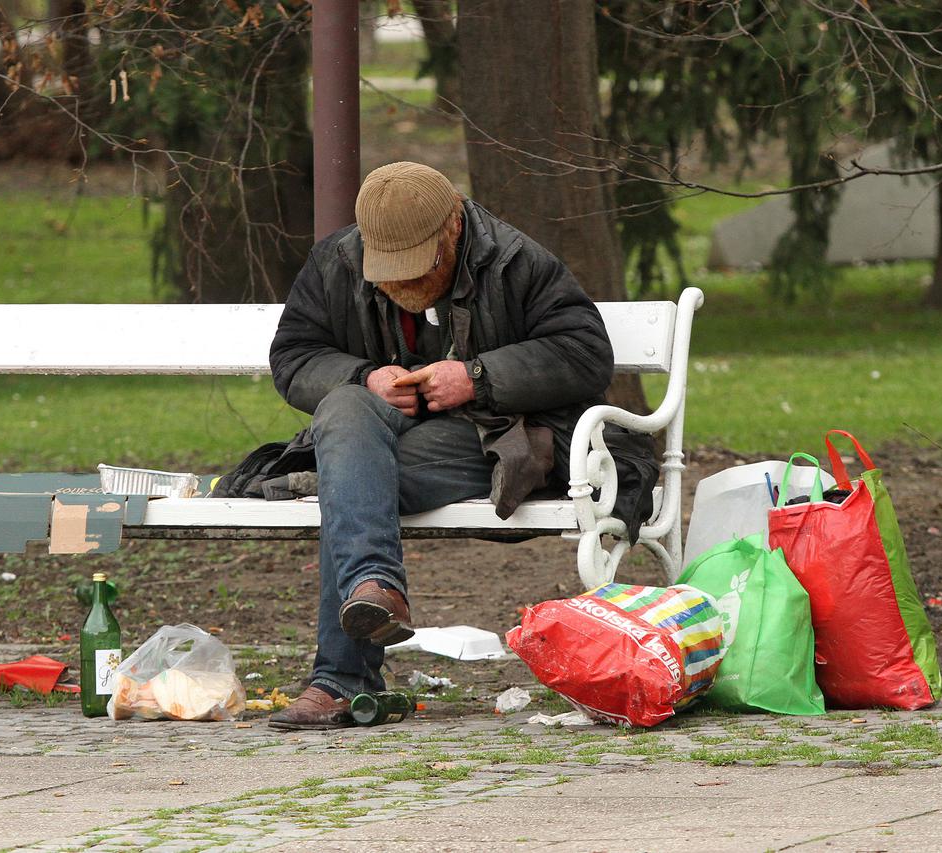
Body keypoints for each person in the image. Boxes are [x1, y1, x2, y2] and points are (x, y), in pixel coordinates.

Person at [265, 162, 657, 730]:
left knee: (349, 483)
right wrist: (366, 378)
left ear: (452, 226)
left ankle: (341, 680)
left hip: (494, 435)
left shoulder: (514, 260)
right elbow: (295, 357)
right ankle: (377, 590)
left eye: (414, 270)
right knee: (345, 409)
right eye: (388, 273)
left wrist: (478, 377)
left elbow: (583, 353)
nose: (399, 287)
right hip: (372, 434)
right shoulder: (338, 260)